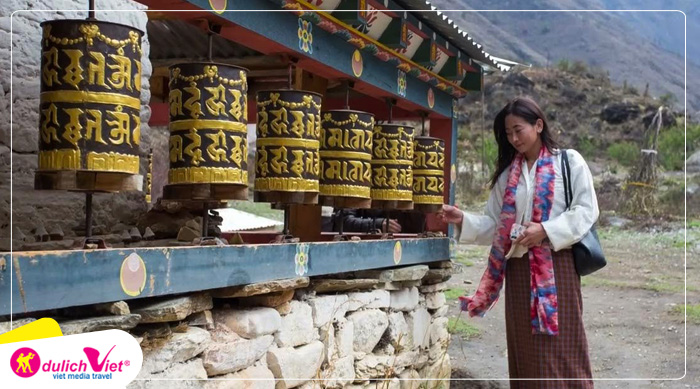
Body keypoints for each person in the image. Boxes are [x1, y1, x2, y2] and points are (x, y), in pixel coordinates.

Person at [441, 97, 598, 388]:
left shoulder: (569, 161)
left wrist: (545, 230)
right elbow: (496, 226)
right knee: (525, 350)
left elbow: (586, 210)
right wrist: (462, 218)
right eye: (508, 133)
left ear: (538, 125)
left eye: (518, 130)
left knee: (564, 345)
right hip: (518, 271)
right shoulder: (506, 177)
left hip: (556, 268)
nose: (513, 138)